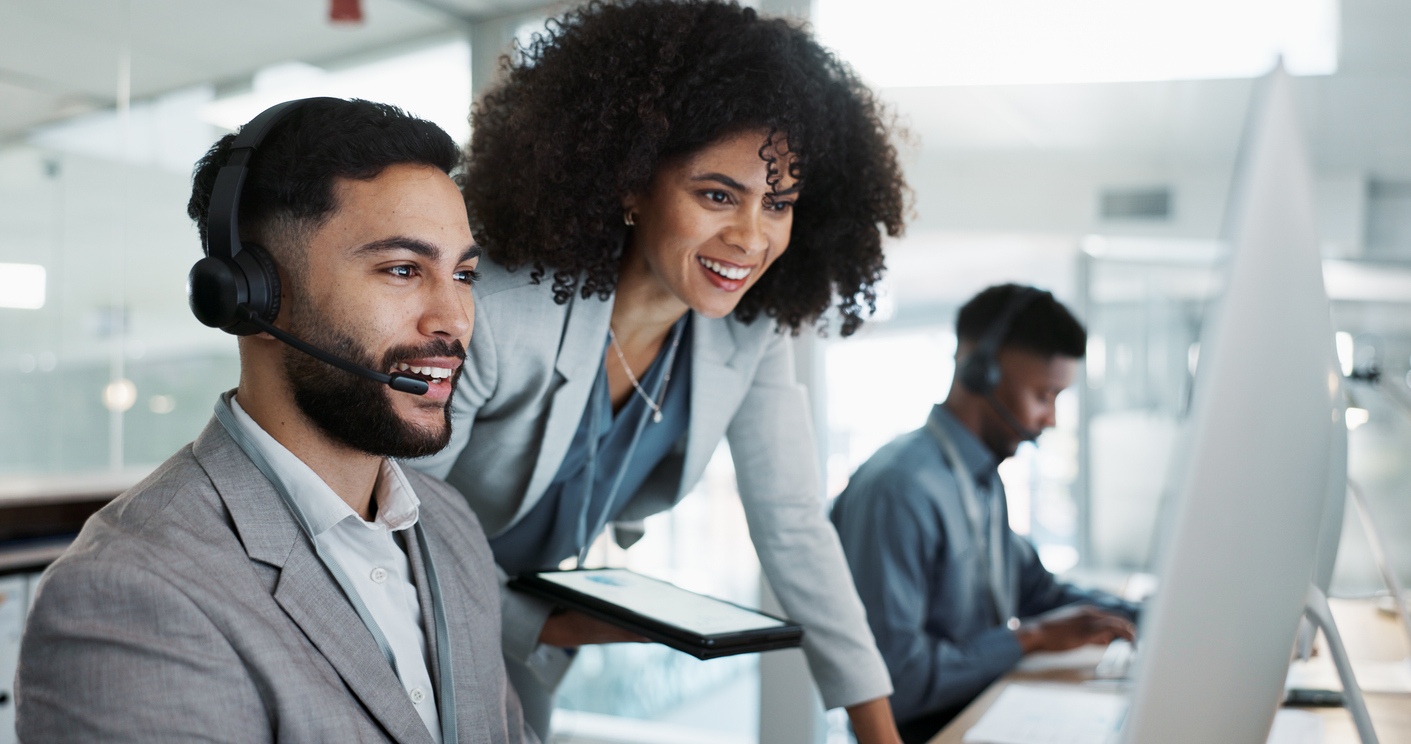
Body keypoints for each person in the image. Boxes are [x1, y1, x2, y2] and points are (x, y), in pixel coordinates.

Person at [411, 1, 908, 740]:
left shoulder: (750, 331)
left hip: (518, 636)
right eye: (716, 195)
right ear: (630, 182)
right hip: (403, 613)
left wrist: (877, 730)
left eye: (778, 203)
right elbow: (390, 514)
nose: (748, 238)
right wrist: (538, 623)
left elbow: (795, 525)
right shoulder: (498, 312)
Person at [16, 99, 535, 744]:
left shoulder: (449, 524)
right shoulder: (128, 593)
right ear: (254, 299)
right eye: (403, 270)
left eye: (463, 274)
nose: (454, 319)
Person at [830, 284, 1140, 744]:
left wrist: (1151, 617)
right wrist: (1028, 638)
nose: (1050, 418)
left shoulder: (980, 480)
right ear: (980, 371)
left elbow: (1038, 590)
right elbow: (893, 684)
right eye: (1043, 394)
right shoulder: (900, 489)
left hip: (984, 713)